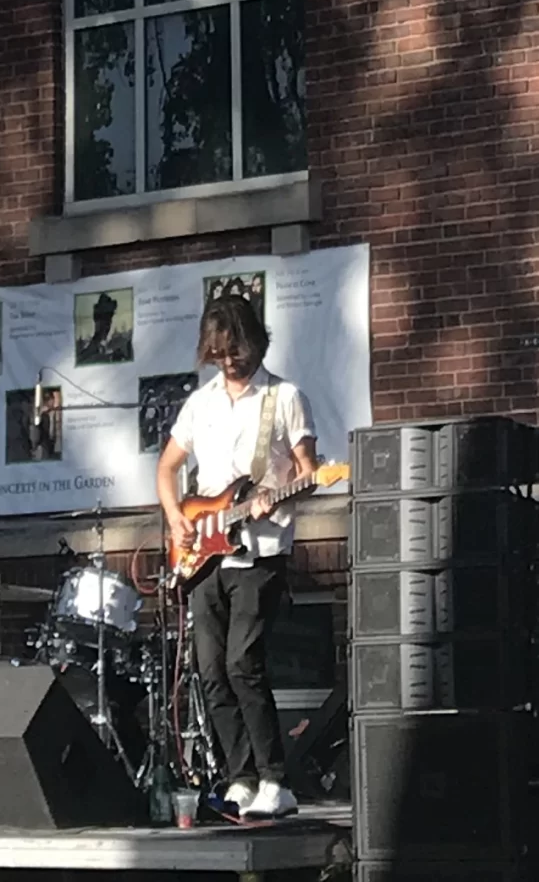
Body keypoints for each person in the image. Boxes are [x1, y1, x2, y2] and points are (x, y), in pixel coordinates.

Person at [155, 292, 317, 824]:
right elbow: (168, 468)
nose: (230, 361)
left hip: (262, 549)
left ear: (255, 341)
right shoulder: (200, 403)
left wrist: (279, 493)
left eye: (238, 350)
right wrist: (176, 516)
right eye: (220, 353)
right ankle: (241, 777)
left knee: (243, 663)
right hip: (204, 556)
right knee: (209, 672)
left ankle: (276, 779)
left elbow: (307, 471)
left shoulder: (285, 396)